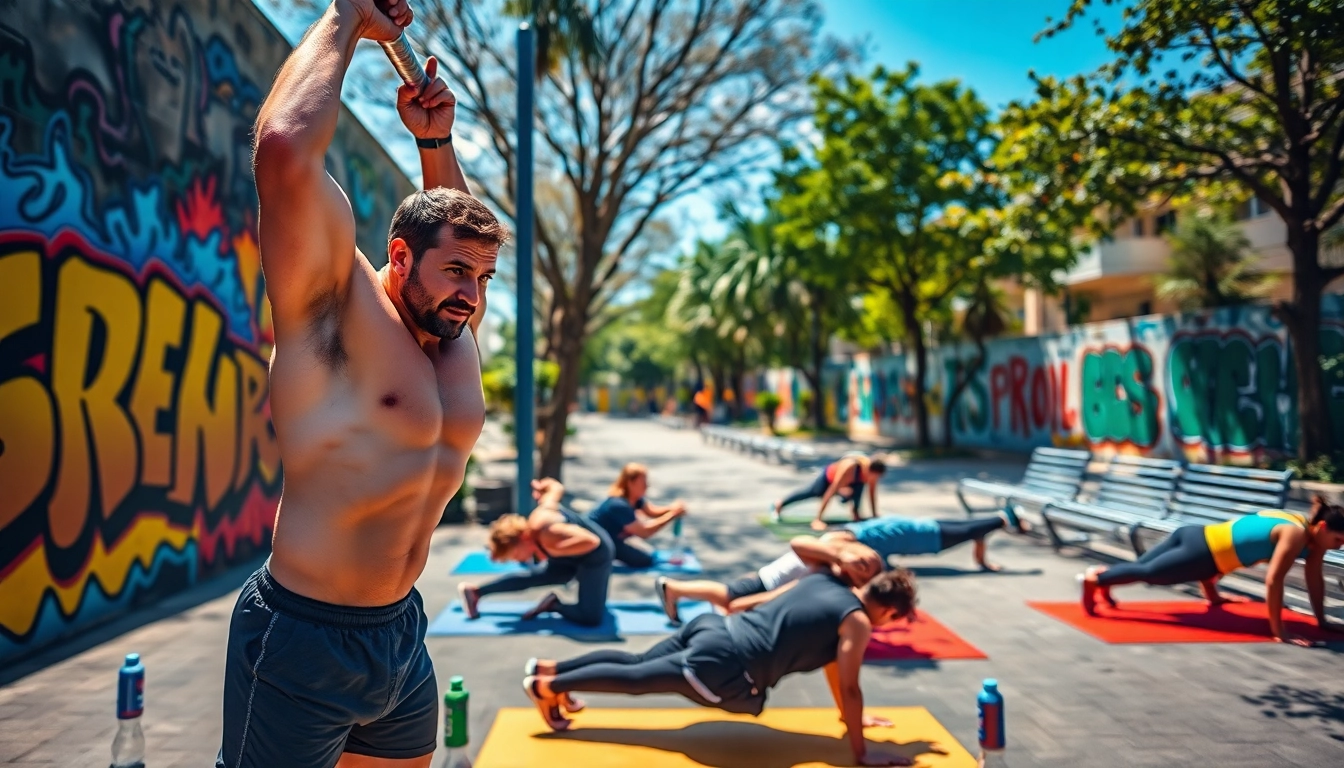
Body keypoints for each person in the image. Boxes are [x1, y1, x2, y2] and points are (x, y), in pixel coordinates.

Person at [217, 2, 506, 766]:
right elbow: (283, 152)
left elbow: (457, 229)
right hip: (301, 639)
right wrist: (347, 19)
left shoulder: (449, 336)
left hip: (400, 638)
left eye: (483, 278)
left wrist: (436, 142)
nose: (472, 295)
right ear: (399, 257)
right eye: (457, 274)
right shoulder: (334, 321)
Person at [522, 564, 919, 767]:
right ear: (886, 608)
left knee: (637, 661)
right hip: (727, 665)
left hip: (714, 627)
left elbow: (753, 605)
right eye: (890, 620)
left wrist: (853, 718)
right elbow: (851, 685)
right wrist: (861, 754)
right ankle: (546, 689)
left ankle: (551, 670)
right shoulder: (859, 621)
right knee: (642, 680)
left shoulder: (825, 581)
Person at [655, 510, 1017, 624]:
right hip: (771, 577)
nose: (864, 569)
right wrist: (840, 557)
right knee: (727, 597)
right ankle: (674, 589)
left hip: (776, 580)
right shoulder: (835, 549)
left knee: (730, 599)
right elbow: (797, 543)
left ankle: (675, 590)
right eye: (864, 565)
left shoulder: (840, 568)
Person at [1080, 496, 1344, 645]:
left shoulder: (1308, 532)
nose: (1338, 546)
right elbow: (1274, 580)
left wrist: (1320, 621)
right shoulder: (1296, 534)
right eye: (1338, 540)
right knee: (1150, 574)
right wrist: (1279, 632)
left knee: (1142, 567)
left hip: (1197, 533)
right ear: (1322, 527)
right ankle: (1095, 580)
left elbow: (1314, 580)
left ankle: (1105, 578)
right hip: (1202, 553)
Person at [458, 478, 615, 627]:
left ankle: (554, 605)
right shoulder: (538, 516)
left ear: (521, 539)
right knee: (541, 575)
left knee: (590, 618)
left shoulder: (548, 532)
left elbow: (591, 541)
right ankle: (476, 592)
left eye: (514, 556)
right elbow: (556, 488)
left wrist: (552, 551)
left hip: (597, 554)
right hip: (572, 553)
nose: (519, 560)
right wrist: (542, 487)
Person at [587, 463, 688, 568]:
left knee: (648, 554)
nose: (647, 485)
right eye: (643, 482)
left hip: (613, 538)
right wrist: (672, 514)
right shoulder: (618, 504)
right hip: (599, 541)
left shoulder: (634, 498)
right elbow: (644, 532)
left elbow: (652, 511)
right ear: (630, 483)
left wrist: (673, 508)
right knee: (644, 560)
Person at [773, 454, 887, 531]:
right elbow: (830, 492)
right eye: (873, 477)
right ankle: (781, 503)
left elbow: (871, 494)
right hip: (829, 479)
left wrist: (874, 515)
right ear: (868, 470)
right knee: (812, 492)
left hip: (849, 484)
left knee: (857, 492)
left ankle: (856, 515)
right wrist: (818, 519)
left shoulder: (872, 474)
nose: (873, 481)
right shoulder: (851, 468)